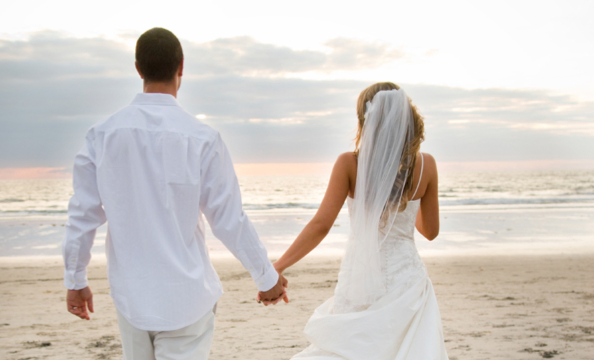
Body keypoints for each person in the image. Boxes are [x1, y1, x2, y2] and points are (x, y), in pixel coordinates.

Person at [62, 27, 288, 360]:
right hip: (188, 295)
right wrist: (266, 276)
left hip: (132, 296)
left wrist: (75, 277)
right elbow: (228, 219)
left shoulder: (102, 136)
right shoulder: (202, 138)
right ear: (181, 66)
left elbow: (83, 214)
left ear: (138, 68)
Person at [264, 82, 449, 359]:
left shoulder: (349, 164)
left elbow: (320, 225)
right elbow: (430, 231)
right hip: (407, 280)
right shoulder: (427, 165)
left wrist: (276, 266)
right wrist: (406, 204)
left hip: (361, 278)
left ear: (366, 120)